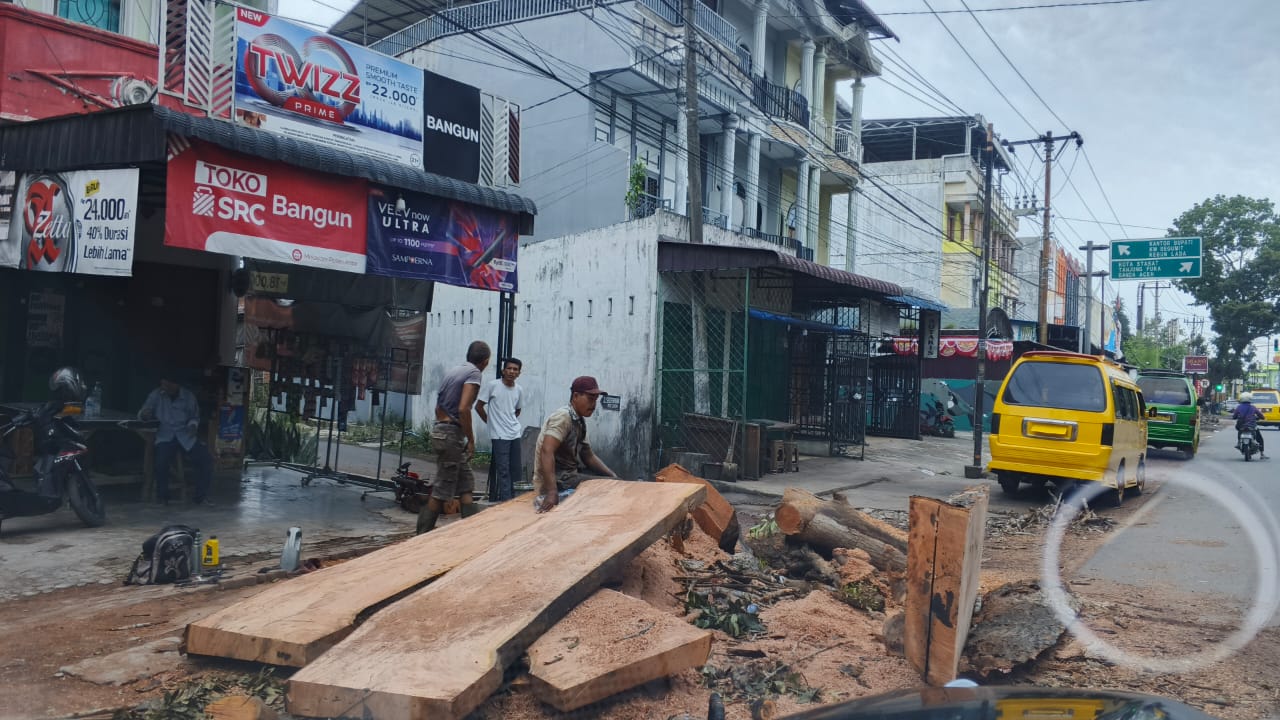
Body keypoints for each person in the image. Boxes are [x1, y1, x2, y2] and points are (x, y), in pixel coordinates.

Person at [418, 340, 490, 533]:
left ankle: (471, 533)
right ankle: (420, 536)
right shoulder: (474, 374)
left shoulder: (454, 371)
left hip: (442, 429)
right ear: (485, 361)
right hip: (451, 433)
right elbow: (464, 408)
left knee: (466, 483)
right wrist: (471, 440)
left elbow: (437, 406)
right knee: (442, 488)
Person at [532, 376, 618, 513]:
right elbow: (546, 451)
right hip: (559, 480)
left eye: (596, 400)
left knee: (612, 482)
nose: (594, 405)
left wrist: (613, 476)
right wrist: (552, 491)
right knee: (607, 487)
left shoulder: (579, 420)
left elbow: (588, 455)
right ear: (576, 396)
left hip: (569, 476)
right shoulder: (563, 417)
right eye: (590, 399)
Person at [138, 376, 213, 505]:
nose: (164, 388)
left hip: (185, 436)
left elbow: (194, 417)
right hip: (165, 436)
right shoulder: (156, 395)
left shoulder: (188, 397)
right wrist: (144, 415)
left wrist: (193, 425)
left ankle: (200, 497)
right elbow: (142, 413)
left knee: (206, 460)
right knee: (161, 462)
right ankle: (163, 497)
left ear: (176, 385)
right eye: (163, 385)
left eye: (168, 385)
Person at [476, 357, 524, 502]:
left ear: (519, 373)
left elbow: (518, 410)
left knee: (515, 470)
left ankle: (515, 500)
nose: (511, 371)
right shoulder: (493, 386)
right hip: (498, 435)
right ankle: (506, 501)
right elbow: (479, 406)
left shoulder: (519, 389)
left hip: (514, 433)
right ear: (503, 370)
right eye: (509, 368)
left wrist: (510, 421)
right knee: (503, 470)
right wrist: (490, 422)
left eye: (515, 369)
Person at [1231, 392, 1267, 459]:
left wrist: (1236, 417)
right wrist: (1261, 418)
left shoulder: (1239, 407)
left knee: (1239, 430)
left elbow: (1234, 416)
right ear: (1250, 399)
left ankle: (1239, 443)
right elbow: (1261, 416)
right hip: (1252, 426)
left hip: (1241, 426)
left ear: (1241, 399)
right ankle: (1262, 454)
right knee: (1260, 439)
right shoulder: (1253, 408)